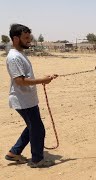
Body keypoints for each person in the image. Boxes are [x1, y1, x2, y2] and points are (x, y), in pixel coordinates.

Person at [5, 24, 58, 168]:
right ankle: (37, 160)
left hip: (27, 100)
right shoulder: (14, 57)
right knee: (37, 129)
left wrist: (46, 78)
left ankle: (14, 152)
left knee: (32, 127)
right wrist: (42, 80)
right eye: (26, 38)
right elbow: (19, 81)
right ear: (16, 39)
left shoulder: (20, 54)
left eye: (29, 37)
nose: (29, 41)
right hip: (23, 101)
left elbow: (25, 78)